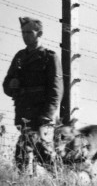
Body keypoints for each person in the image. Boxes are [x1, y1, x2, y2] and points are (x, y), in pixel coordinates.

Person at [3, 17, 63, 173]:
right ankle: (56, 179)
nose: (25, 36)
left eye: (29, 32)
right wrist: (11, 85)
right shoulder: (20, 57)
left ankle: (60, 179)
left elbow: (56, 90)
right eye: (23, 32)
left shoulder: (49, 57)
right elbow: (6, 85)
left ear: (40, 33)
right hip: (23, 112)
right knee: (29, 151)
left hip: (40, 113)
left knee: (31, 151)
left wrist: (48, 115)